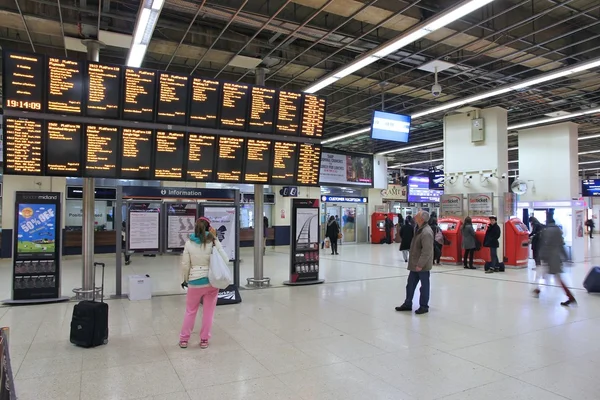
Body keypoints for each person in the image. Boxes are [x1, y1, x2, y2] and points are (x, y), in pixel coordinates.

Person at [179, 217, 228, 349]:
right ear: (209, 228)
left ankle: (184, 339)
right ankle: (204, 340)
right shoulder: (212, 241)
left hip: (195, 282)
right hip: (212, 282)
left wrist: (185, 279)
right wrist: (216, 238)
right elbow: (226, 259)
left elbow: (185, 264)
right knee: (208, 312)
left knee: (190, 311)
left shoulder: (189, 243)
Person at [395, 210, 434, 315]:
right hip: (414, 263)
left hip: (422, 265)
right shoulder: (418, 229)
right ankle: (408, 303)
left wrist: (420, 265)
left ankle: (424, 306)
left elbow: (427, 251)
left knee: (424, 286)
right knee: (410, 285)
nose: (415, 215)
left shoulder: (426, 232)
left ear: (422, 219)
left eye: (417, 214)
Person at [534, 217, 577, 306]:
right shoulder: (558, 231)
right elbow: (562, 245)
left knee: (548, 275)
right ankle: (537, 290)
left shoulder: (546, 231)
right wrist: (567, 257)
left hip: (548, 257)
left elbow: (544, 245)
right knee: (549, 275)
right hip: (556, 258)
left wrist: (541, 256)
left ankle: (570, 297)